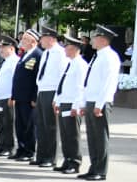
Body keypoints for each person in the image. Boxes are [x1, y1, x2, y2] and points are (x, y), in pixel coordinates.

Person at [78, 25, 121, 181]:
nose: (92, 41)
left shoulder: (110, 57)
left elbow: (108, 83)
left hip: (100, 102)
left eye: (95, 37)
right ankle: (93, 167)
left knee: (100, 137)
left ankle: (100, 170)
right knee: (92, 137)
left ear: (103, 39)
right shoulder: (98, 56)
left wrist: (99, 105)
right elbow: (89, 82)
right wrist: (84, 103)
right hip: (91, 100)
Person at [54, 35, 89, 174]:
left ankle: (74, 162)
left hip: (72, 104)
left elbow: (81, 87)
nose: (65, 50)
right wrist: (58, 101)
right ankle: (67, 160)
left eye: (67, 48)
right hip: (65, 102)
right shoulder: (70, 63)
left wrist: (77, 106)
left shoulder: (81, 65)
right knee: (65, 135)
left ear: (74, 49)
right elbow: (63, 84)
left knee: (72, 135)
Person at [32, 28, 66, 167]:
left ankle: (50, 158)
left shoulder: (60, 53)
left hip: (52, 91)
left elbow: (62, 76)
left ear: (51, 39)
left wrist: (57, 97)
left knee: (49, 126)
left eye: (43, 38)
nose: (40, 41)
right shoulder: (46, 52)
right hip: (42, 90)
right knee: (40, 125)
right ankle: (41, 155)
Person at [10, 30, 42, 161]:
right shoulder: (25, 54)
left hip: (29, 98)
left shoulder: (38, 55)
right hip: (20, 96)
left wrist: (34, 97)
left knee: (29, 126)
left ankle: (29, 151)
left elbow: (37, 78)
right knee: (20, 125)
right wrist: (13, 95)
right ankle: (21, 149)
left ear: (33, 41)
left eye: (24, 39)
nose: (21, 41)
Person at [0, 36, 18, 157]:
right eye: (0, 47)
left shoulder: (14, 61)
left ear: (11, 48)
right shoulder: (4, 62)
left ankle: (8, 147)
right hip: (0, 97)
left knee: (7, 124)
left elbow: (16, 80)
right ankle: (2, 145)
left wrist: (13, 96)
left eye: (4, 47)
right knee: (1, 124)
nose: (0, 49)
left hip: (7, 97)